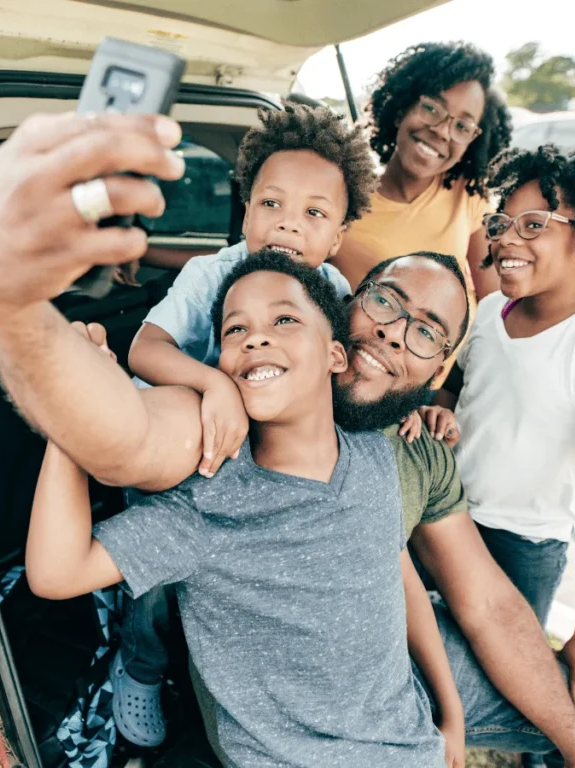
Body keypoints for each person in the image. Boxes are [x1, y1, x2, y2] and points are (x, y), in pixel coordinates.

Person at [0, 110, 575, 767]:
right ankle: (145, 665)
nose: (393, 332)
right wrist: (20, 316)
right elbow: (133, 438)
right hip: (283, 723)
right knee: (148, 613)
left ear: (439, 369)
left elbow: (463, 594)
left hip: (393, 709)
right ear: (345, 322)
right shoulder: (233, 428)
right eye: (385, 302)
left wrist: (465, 715)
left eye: (426, 331)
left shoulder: (401, 451)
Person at [28, 251, 463, 767]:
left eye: (284, 320)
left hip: (410, 750)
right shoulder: (211, 502)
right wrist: (68, 426)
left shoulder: (375, 455)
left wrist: (450, 712)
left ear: (336, 356)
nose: (255, 338)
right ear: (221, 367)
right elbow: (56, 572)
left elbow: (390, 568)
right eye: (236, 331)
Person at [114, 103, 378, 747]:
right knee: (153, 585)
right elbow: (144, 351)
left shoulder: (333, 289)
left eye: (315, 212)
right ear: (246, 209)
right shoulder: (211, 273)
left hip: (255, 474)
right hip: (179, 458)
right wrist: (213, 384)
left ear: (337, 236)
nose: (289, 223)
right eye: (272, 204)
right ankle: (140, 665)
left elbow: (347, 374)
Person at [420, 143, 575, 728]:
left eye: (533, 225)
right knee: (432, 664)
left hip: (522, 547)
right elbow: (454, 389)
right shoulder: (487, 316)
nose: (505, 240)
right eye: (501, 223)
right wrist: (439, 413)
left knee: (514, 679)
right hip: (445, 520)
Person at [331, 41, 512, 303]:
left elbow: (494, 305)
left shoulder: (469, 196)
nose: (441, 130)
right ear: (401, 107)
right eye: (431, 109)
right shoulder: (341, 199)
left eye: (462, 126)